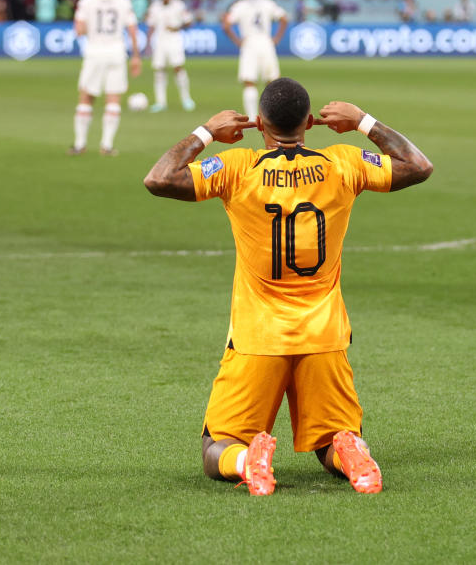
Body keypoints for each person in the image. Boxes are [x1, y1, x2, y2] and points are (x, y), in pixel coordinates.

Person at [143, 77, 433, 495]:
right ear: (310, 122)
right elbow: (418, 166)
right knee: (333, 440)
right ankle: (352, 452)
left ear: (260, 123)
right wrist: (363, 121)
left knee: (217, 445)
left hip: (257, 338)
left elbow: (159, 179)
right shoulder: (343, 163)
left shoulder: (237, 168)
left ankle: (246, 460)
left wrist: (207, 132)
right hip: (324, 336)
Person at [69, 0, 142, 156]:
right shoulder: (124, 1)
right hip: (116, 52)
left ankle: (80, 144)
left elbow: (79, 30)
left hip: (94, 52)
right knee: (113, 99)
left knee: (86, 98)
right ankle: (107, 146)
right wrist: (136, 56)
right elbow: (132, 30)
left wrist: (90, 27)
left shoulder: (86, 1)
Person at [222, 0, 287, 121]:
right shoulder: (266, 2)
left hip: (249, 43)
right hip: (266, 42)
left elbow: (226, 25)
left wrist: (237, 41)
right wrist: (276, 38)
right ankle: (271, 117)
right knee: (271, 83)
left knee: (249, 81)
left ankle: (252, 119)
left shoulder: (239, 5)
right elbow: (284, 18)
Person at [144, 0, 195, 112]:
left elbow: (189, 21)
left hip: (174, 40)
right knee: (159, 70)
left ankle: (186, 99)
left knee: (178, 68)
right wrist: (148, 43)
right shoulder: (155, 7)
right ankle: (160, 102)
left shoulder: (179, 5)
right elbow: (151, 26)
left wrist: (177, 27)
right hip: (160, 41)